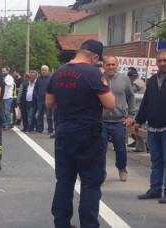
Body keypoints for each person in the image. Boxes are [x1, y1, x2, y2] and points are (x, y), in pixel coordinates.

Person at [46, 39, 115, 227]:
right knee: (90, 184)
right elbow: (110, 104)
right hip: (88, 136)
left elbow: (49, 103)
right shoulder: (93, 73)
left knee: (64, 182)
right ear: (94, 57)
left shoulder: (58, 73)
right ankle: (89, 224)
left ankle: (61, 223)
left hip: (63, 133)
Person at [135, 49, 166, 204]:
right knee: (156, 161)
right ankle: (155, 189)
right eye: (159, 61)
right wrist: (138, 121)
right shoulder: (152, 80)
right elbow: (145, 103)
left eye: (164, 60)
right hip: (153, 128)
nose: (162, 63)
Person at [101, 56, 136, 182]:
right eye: (108, 64)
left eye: (113, 64)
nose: (111, 67)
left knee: (120, 149)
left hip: (119, 121)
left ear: (117, 65)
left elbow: (131, 97)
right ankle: (101, 174)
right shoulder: (99, 79)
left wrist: (131, 116)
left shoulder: (124, 79)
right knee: (100, 150)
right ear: (103, 66)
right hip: (101, 122)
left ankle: (122, 168)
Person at [127, 69, 147, 152]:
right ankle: (140, 145)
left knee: (136, 126)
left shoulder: (136, 83)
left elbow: (131, 93)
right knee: (137, 127)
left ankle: (141, 147)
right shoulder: (140, 81)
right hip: (139, 107)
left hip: (138, 108)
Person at [35, 65, 53, 133]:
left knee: (49, 115)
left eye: (45, 70)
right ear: (41, 71)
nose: (44, 71)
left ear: (47, 71)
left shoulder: (51, 78)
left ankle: (50, 129)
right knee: (40, 115)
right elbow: (35, 88)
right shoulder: (38, 78)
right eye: (43, 70)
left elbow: (53, 87)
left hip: (48, 99)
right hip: (40, 99)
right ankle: (40, 129)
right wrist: (36, 95)